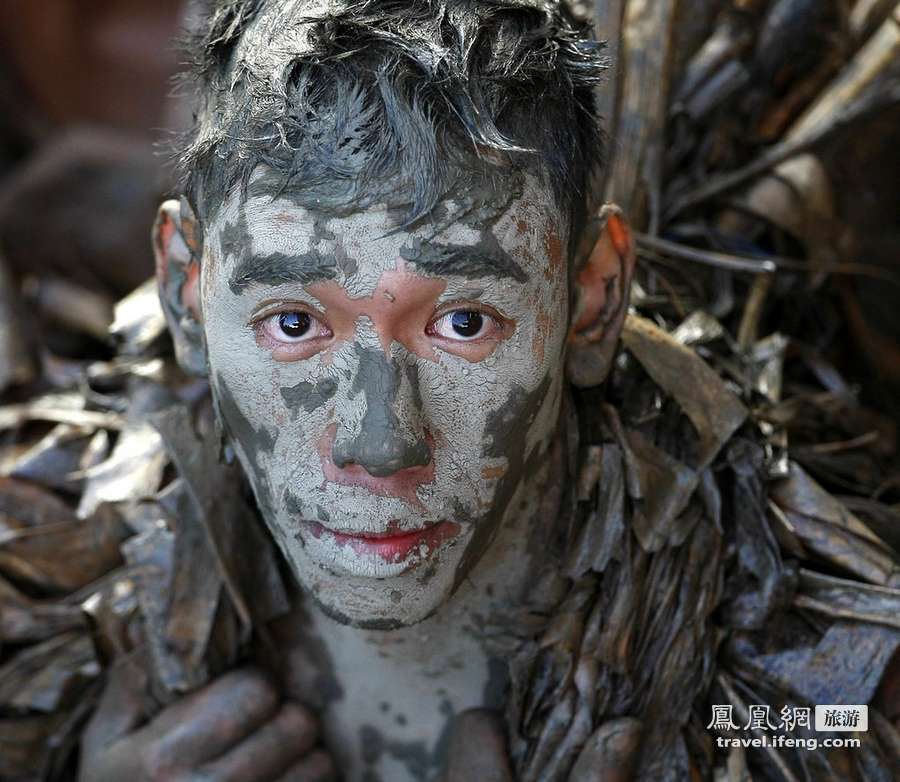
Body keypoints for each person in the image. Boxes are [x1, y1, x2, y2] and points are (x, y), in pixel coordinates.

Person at [58, 0, 900, 780]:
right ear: (185, 290)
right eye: (292, 323)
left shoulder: (817, 695)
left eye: (463, 322)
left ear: (594, 298)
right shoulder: (60, 598)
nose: (379, 441)